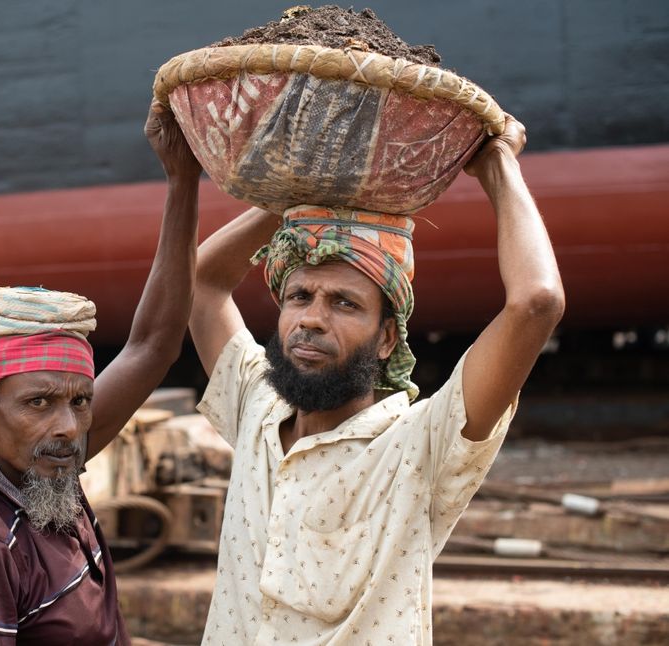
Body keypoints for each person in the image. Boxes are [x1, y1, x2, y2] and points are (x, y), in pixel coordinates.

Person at [189, 116, 564, 644]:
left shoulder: (421, 445)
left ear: (387, 337)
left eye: (343, 303)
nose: (311, 319)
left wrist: (498, 165)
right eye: (299, 297)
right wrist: (294, 198)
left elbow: (537, 303)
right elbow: (202, 281)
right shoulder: (257, 405)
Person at [0, 101, 202, 645]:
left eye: (80, 401)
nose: (70, 428)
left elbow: (152, 344)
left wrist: (183, 180)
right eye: (38, 402)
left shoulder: (44, 467)